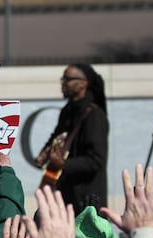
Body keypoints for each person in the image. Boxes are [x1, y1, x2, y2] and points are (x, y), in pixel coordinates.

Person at [34, 64, 109, 214]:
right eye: (63, 79)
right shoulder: (68, 111)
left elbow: (96, 160)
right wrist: (45, 152)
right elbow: (58, 135)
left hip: (87, 201)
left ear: (83, 83)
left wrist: (63, 164)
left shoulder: (95, 115)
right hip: (66, 196)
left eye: (68, 79)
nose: (63, 83)